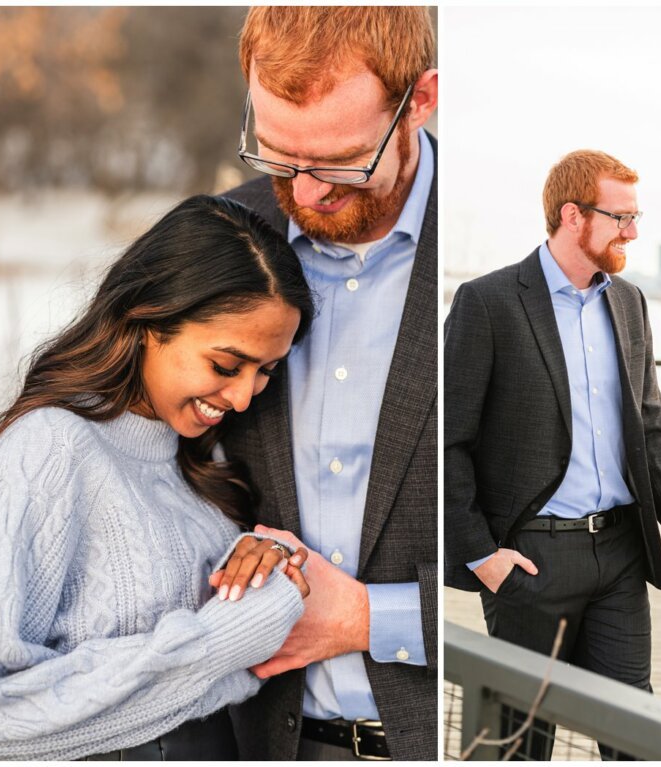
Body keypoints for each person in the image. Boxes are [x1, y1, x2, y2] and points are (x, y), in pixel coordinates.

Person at [0, 195, 315, 761]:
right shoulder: (50, 449)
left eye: (267, 371)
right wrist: (223, 639)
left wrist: (250, 561)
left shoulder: (192, 457)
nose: (241, 398)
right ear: (147, 320)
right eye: (225, 365)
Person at [219, 7, 438, 761]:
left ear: (423, 99)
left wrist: (370, 617)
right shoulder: (217, 238)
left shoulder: (498, 271)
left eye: (341, 161)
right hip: (249, 736)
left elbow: (547, 543)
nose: (306, 193)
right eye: (278, 156)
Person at [444, 150, 661, 760]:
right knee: (516, 744)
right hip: (530, 563)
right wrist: (483, 556)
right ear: (572, 215)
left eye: (636, 217)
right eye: (621, 217)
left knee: (633, 739)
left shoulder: (629, 303)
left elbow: (651, 434)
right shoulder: (488, 303)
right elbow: (448, 441)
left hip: (621, 556)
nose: (634, 232)